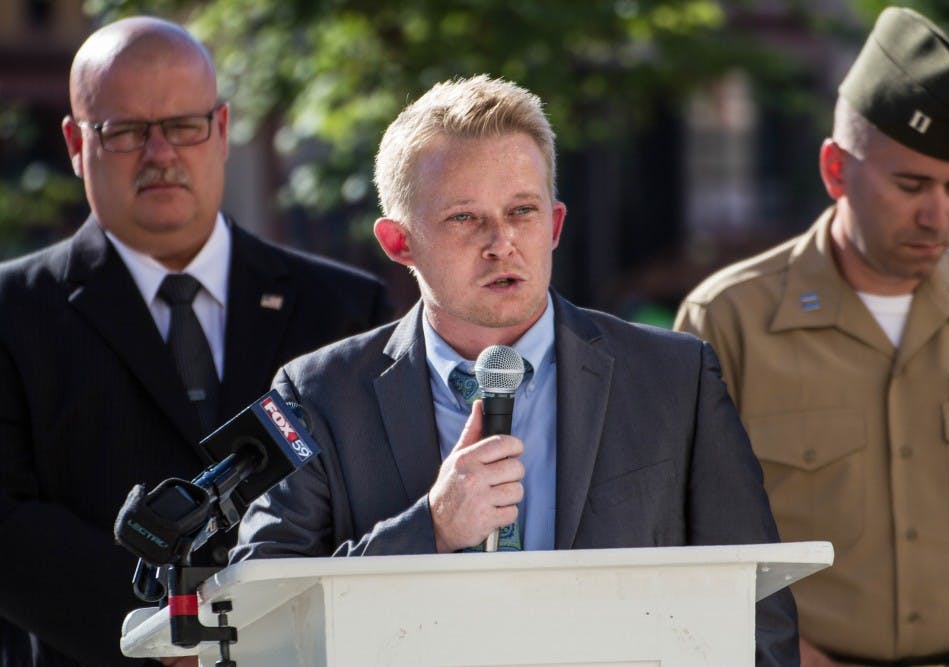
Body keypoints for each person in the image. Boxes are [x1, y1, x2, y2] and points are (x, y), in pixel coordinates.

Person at [231, 74, 799, 665]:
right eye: (464, 218)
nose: (501, 242)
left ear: (553, 225)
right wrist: (431, 528)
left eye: (522, 211)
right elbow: (264, 611)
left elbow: (756, 613)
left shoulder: (675, 379)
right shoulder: (318, 394)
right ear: (399, 242)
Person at [0, 16, 391, 667]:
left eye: (184, 125)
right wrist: (167, 632)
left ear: (222, 129)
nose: (160, 154)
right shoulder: (12, 314)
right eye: (125, 131)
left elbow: (376, 500)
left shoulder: (347, 310)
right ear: (74, 142)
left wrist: (256, 628)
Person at [675, 7, 949, 667]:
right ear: (835, 169)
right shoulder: (730, 322)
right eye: (910, 184)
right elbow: (683, 535)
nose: (937, 215)